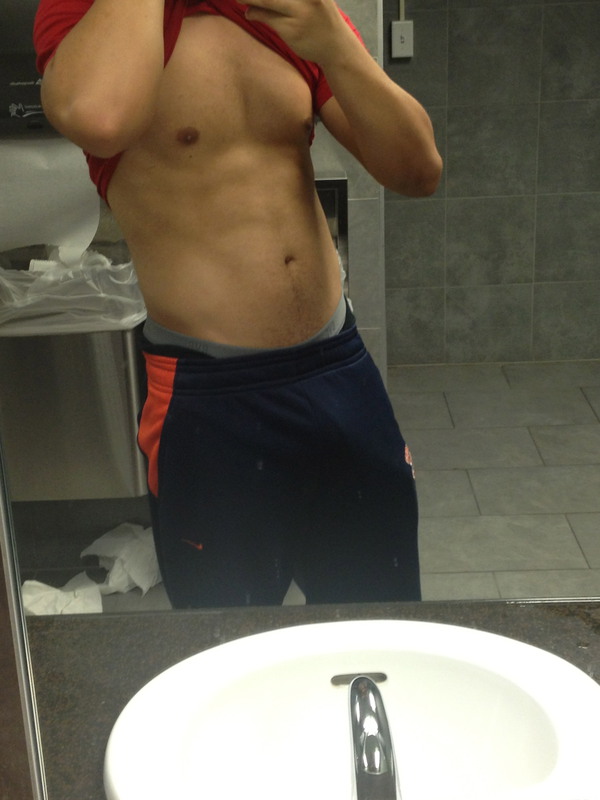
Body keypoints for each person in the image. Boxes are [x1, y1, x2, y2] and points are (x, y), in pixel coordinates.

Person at [34, 0, 442, 608]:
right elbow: (101, 118)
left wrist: (334, 42)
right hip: (209, 398)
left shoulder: (280, 11)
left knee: (383, 618)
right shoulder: (92, 15)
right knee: (225, 637)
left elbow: (418, 170)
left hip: (338, 369)